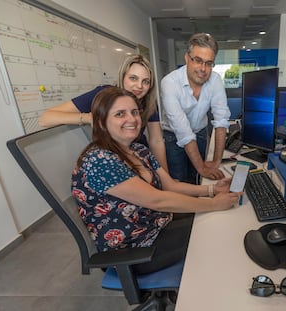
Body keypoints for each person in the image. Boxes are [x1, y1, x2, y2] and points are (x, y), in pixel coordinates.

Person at [71, 86, 240, 274]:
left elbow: (171, 186)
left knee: (215, 220)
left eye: (134, 112)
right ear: (101, 122)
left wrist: (212, 191)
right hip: (135, 249)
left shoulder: (138, 150)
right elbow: (157, 200)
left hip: (156, 224)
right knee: (212, 231)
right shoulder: (100, 160)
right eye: (120, 114)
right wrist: (214, 204)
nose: (131, 119)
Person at [39, 54, 168, 171]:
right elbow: (45, 118)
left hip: (138, 156)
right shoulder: (103, 95)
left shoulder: (149, 102)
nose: (139, 86)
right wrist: (88, 118)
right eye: (133, 78)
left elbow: (156, 140)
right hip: (112, 162)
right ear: (122, 77)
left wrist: (165, 178)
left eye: (145, 81)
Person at [160, 33, 231, 184]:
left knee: (198, 179)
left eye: (209, 63)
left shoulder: (215, 80)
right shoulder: (170, 83)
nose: (203, 69)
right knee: (179, 179)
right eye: (198, 60)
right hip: (173, 136)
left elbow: (221, 120)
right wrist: (203, 167)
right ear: (187, 58)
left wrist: (217, 160)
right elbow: (183, 131)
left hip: (199, 133)